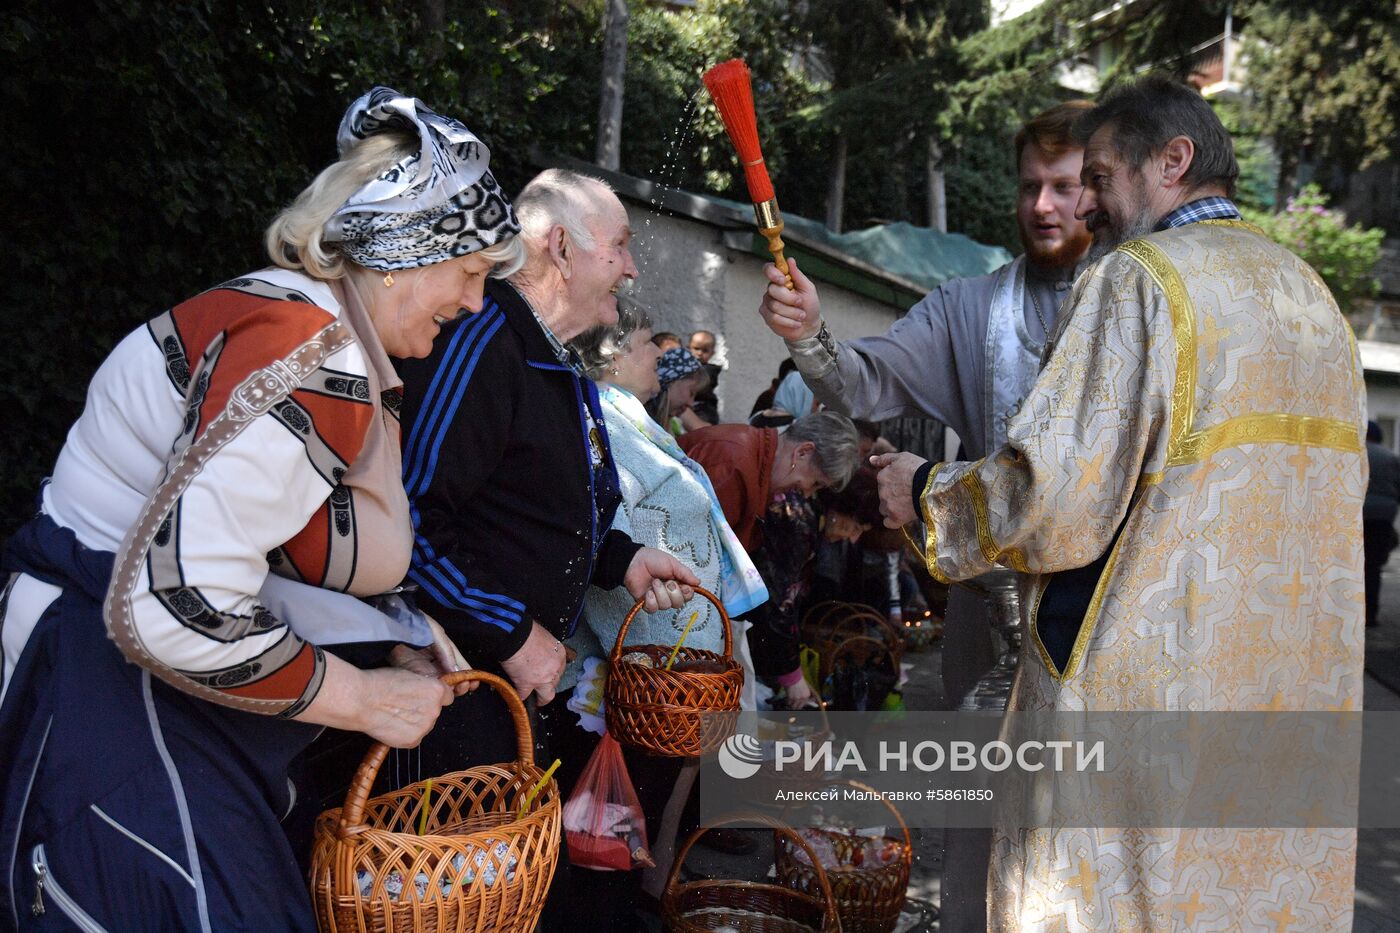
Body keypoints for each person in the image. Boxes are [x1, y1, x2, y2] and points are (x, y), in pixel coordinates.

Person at [0, 87, 521, 927]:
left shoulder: (309, 324)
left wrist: (406, 631)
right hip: (111, 688)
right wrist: (362, 697)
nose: (474, 303)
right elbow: (171, 607)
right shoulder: (311, 354)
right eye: (467, 271)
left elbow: (252, 545)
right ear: (401, 248)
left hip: (114, 676)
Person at [874, 75, 1365, 931]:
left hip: (1145, 701)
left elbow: (1052, 497)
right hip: (1281, 709)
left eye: (1098, 177)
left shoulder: (1141, 280)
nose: (1087, 203)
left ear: (1173, 161)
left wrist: (923, 491)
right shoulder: (1312, 298)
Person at [758, 99, 1093, 931]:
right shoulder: (973, 307)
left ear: (1104, 186)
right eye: (1029, 186)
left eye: (1063, 186)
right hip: (988, 616)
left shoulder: (1140, 301)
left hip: (1102, 622)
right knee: (978, 829)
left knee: (1083, 838)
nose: (1041, 206)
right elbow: (864, 379)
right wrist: (810, 334)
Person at [557, 300, 768, 927]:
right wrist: (664, 672)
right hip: (640, 677)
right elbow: (611, 537)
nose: (660, 356)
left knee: (632, 819)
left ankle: (628, 904)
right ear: (614, 353)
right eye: (650, 343)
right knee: (608, 826)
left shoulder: (629, 420)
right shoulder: (604, 427)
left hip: (665, 674)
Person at [680, 412, 862, 708]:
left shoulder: (751, 463)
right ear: (803, 451)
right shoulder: (733, 462)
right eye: (814, 483)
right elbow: (688, 555)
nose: (806, 493)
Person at [1365, 420, 1400, 627]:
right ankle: (1370, 614)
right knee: (1373, 566)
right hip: (1382, 516)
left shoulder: (1355, 453)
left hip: (1356, 515)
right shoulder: (1391, 457)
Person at [647, 346, 712, 435]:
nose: (690, 403)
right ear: (672, 382)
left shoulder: (673, 421)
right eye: (691, 393)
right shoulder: (643, 421)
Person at [686, 328, 723, 424]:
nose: (700, 353)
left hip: (704, 408)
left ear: (712, 353)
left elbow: (698, 388)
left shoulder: (710, 370)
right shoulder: (684, 367)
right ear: (688, 347)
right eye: (696, 349)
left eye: (705, 350)